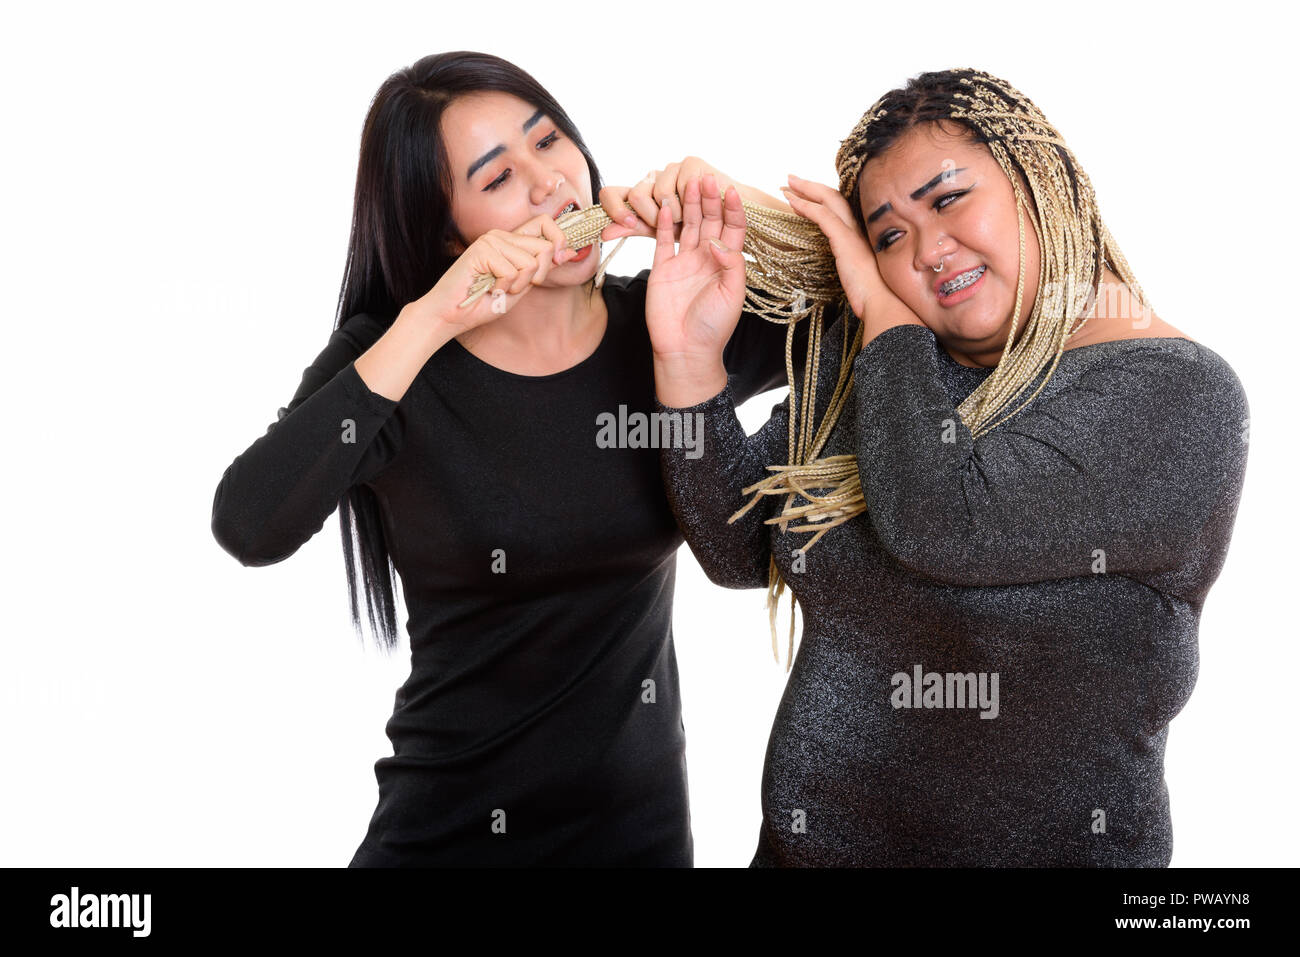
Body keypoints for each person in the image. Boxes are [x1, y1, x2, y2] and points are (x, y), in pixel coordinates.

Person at [209, 51, 805, 866]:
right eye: (497, 179)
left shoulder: (671, 323)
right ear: (448, 232)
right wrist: (427, 322)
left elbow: (864, 288)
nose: (551, 184)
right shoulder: (397, 360)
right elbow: (250, 523)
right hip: (443, 837)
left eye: (550, 141)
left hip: (641, 842)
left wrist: (722, 205)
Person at [649, 68, 1250, 866]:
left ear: (1044, 182)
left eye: (948, 198)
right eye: (888, 235)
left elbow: (940, 523)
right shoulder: (886, 352)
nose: (928, 250)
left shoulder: (1177, 394)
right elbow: (738, 550)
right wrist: (687, 360)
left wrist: (883, 319)